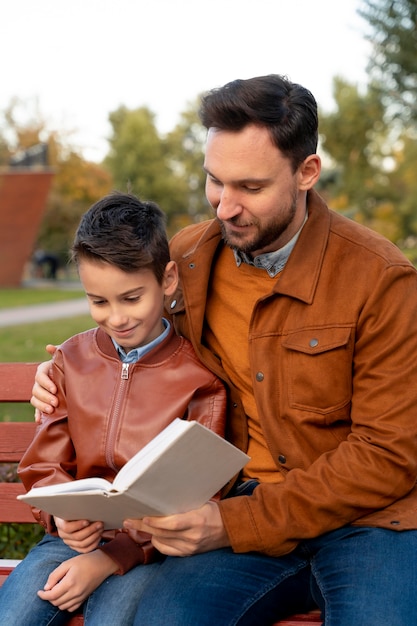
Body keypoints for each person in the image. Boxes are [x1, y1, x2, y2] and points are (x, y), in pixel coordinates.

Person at [30, 75, 417, 625]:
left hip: (366, 523)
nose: (225, 207)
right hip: (236, 512)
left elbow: (387, 455)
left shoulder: (380, 279)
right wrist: (60, 369)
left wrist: (233, 523)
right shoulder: (188, 258)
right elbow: (128, 332)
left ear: (307, 172)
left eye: (251, 188)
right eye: (215, 181)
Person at [0, 192, 227, 626]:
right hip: (70, 538)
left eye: (131, 298)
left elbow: (197, 495)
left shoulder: (200, 380)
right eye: (99, 302)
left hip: (149, 550)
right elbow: (44, 464)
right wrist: (61, 517)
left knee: (112, 620)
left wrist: (112, 556)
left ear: (168, 279)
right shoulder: (71, 360)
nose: (117, 318)